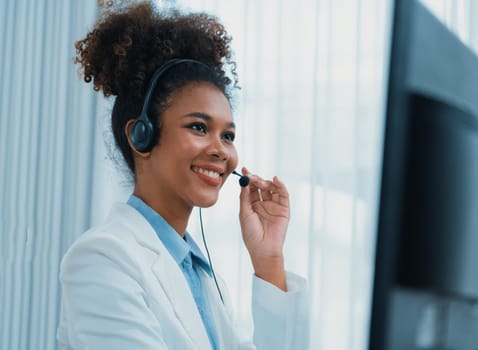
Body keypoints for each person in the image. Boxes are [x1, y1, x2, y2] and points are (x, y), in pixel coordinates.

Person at [57, 1, 309, 349]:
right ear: (140, 136)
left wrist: (268, 261)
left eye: (228, 135)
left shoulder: (202, 277)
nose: (222, 150)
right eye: (198, 127)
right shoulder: (102, 259)